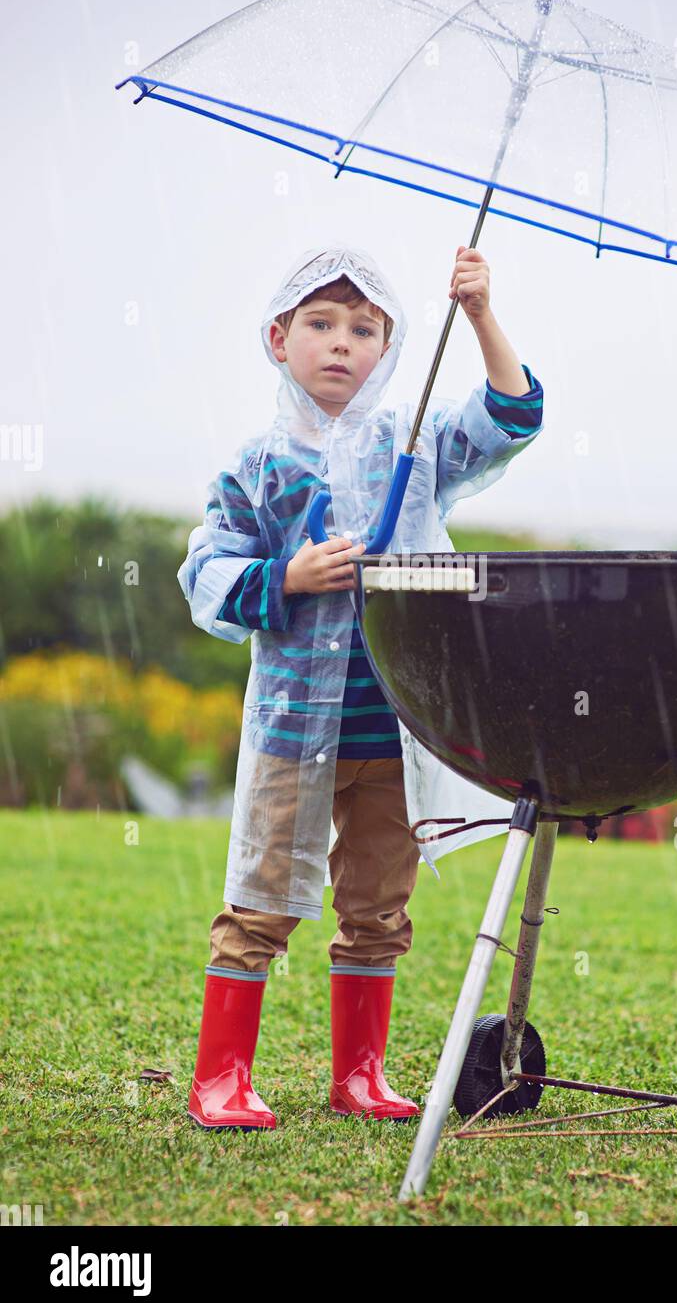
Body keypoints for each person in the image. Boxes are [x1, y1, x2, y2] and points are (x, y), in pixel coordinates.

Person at [179, 243, 544, 1129]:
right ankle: (219, 1078)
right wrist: (286, 577)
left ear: (389, 347)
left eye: (363, 328)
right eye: (319, 323)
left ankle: (360, 1076)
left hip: (394, 727)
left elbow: (511, 417)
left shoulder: (413, 447)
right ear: (278, 337)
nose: (340, 343)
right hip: (292, 725)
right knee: (260, 902)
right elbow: (206, 573)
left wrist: (483, 313)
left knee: (378, 907)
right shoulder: (257, 465)